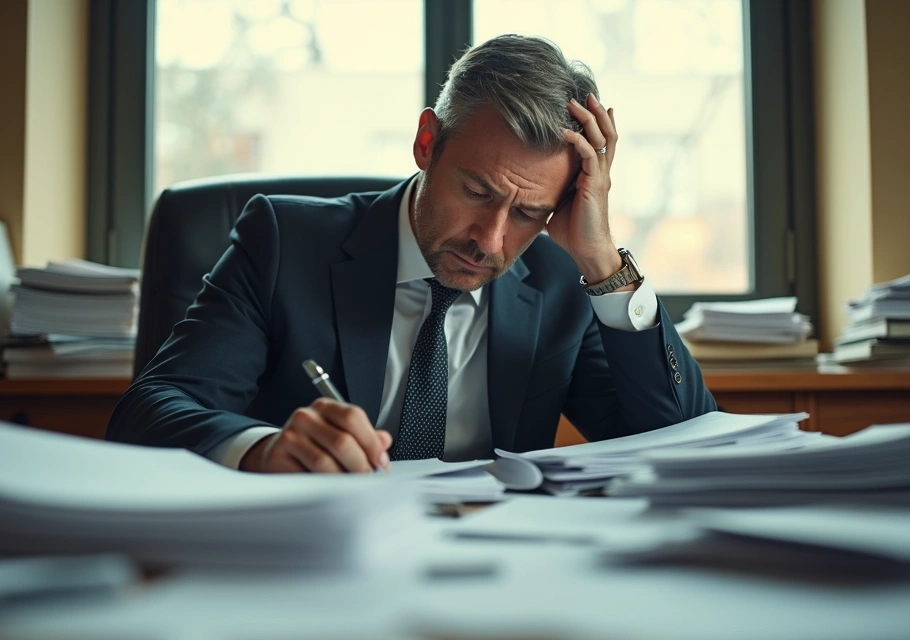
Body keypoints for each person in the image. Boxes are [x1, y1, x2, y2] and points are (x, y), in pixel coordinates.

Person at [107, 34, 716, 473]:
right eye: (476, 191)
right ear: (427, 141)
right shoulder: (284, 244)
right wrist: (263, 449)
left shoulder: (563, 280)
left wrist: (604, 264)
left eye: (529, 213)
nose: (490, 238)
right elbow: (150, 411)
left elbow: (683, 442)